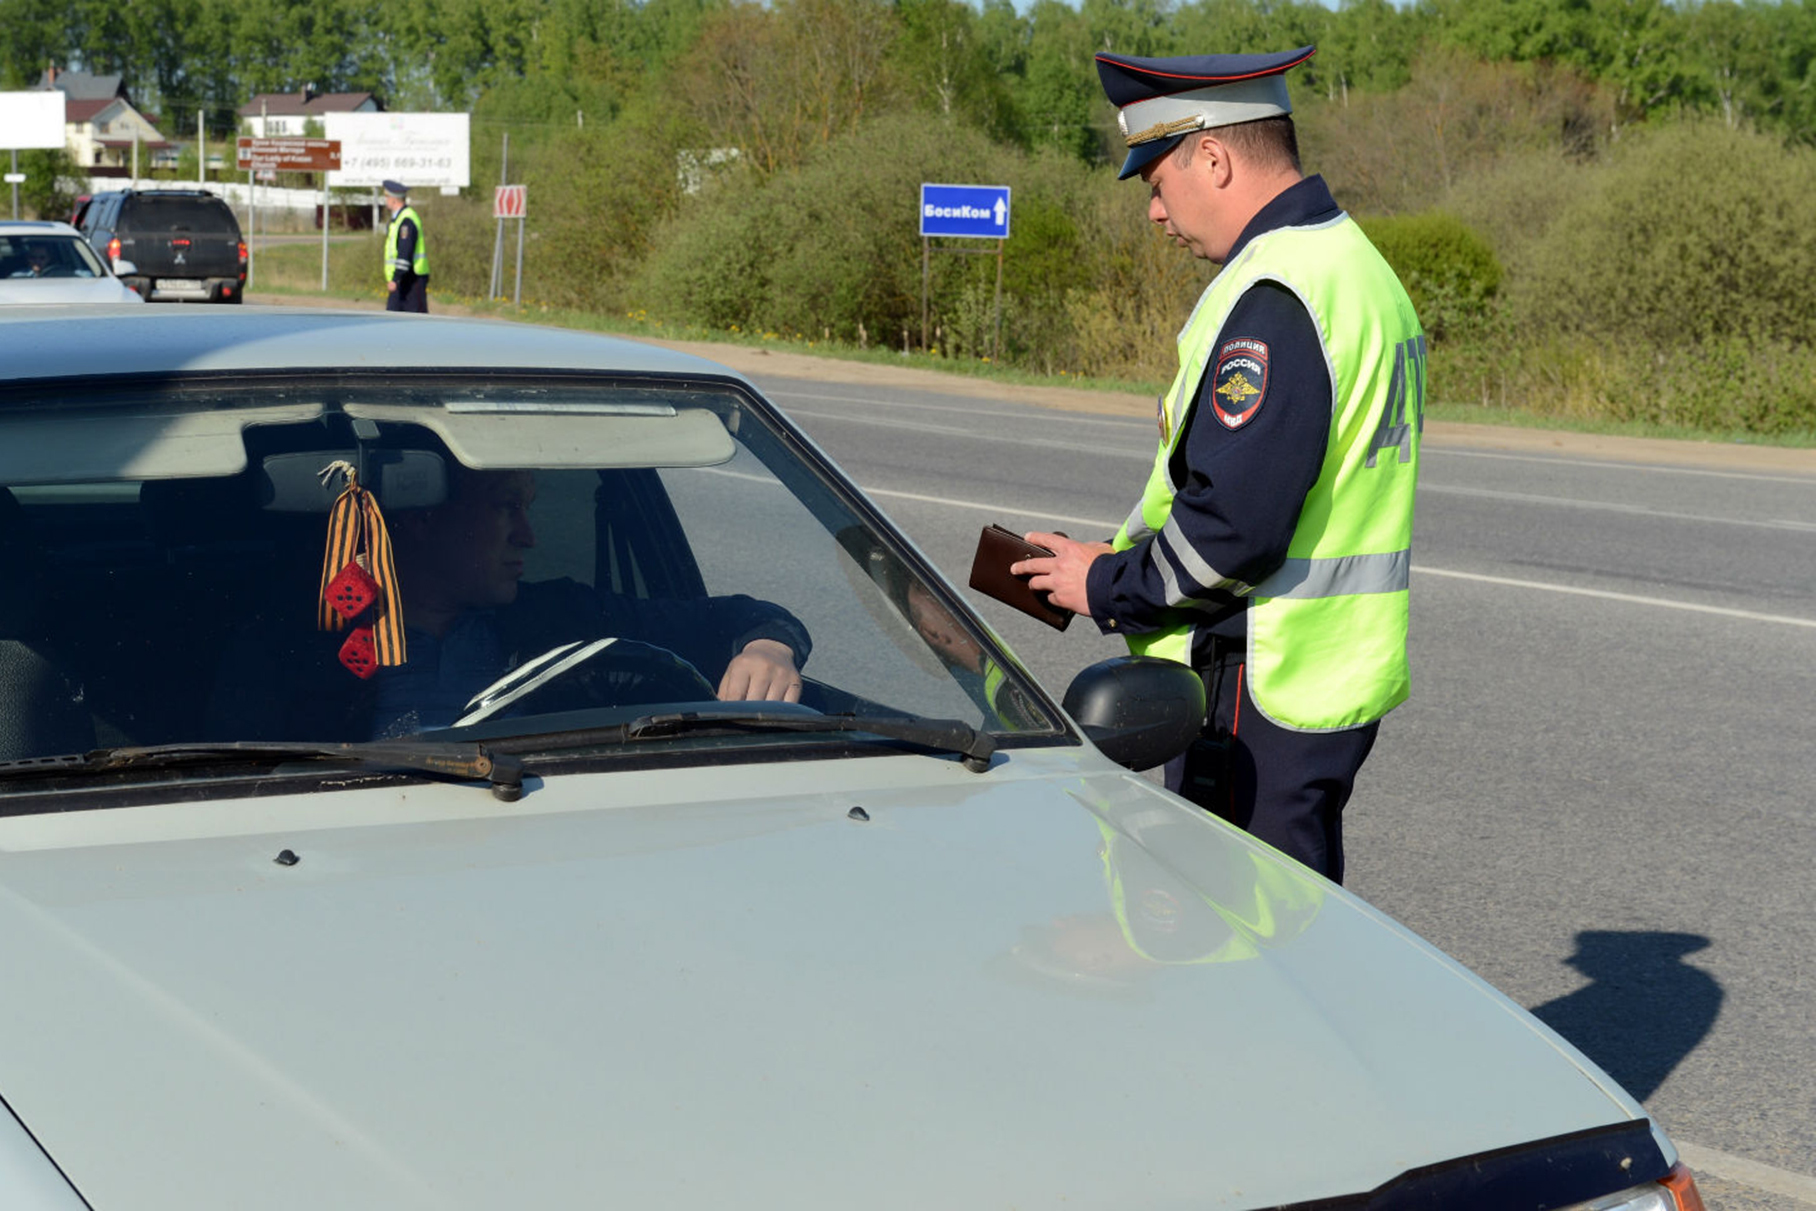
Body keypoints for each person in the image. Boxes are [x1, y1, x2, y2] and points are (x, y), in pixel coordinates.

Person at [1012, 46, 1425, 884]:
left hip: (1256, 683)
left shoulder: (1277, 295)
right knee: (1294, 916)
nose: (1155, 213)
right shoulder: (1353, 265)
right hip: (1324, 674)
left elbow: (1232, 529)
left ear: (1212, 156)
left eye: (1157, 181)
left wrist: (1105, 584)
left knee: (1246, 933)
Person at [209, 463, 809, 741]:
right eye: (506, 506)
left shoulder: (559, 616)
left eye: (527, 508)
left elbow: (737, 617)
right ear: (423, 517)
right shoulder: (291, 648)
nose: (528, 536)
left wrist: (768, 648)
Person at [381, 180, 430, 312]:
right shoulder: (398, 219)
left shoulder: (406, 221)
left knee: (414, 320)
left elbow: (405, 251)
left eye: (386, 197)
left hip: (410, 279)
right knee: (393, 318)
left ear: (394, 199)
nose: (385, 200)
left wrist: (396, 278)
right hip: (403, 279)